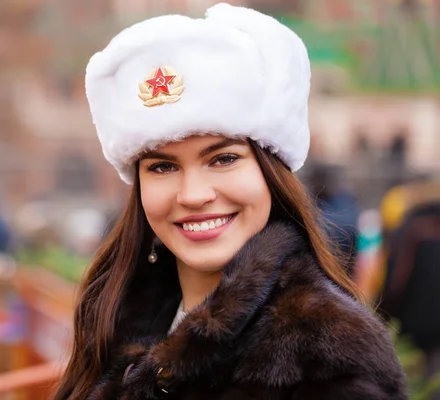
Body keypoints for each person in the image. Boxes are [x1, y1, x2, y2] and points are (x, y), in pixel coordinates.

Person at [55, 4, 407, 399]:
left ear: (271, 173)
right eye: (162, 167)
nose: (193, 195)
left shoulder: (329, 350)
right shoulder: (111, 315)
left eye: (223, 159)